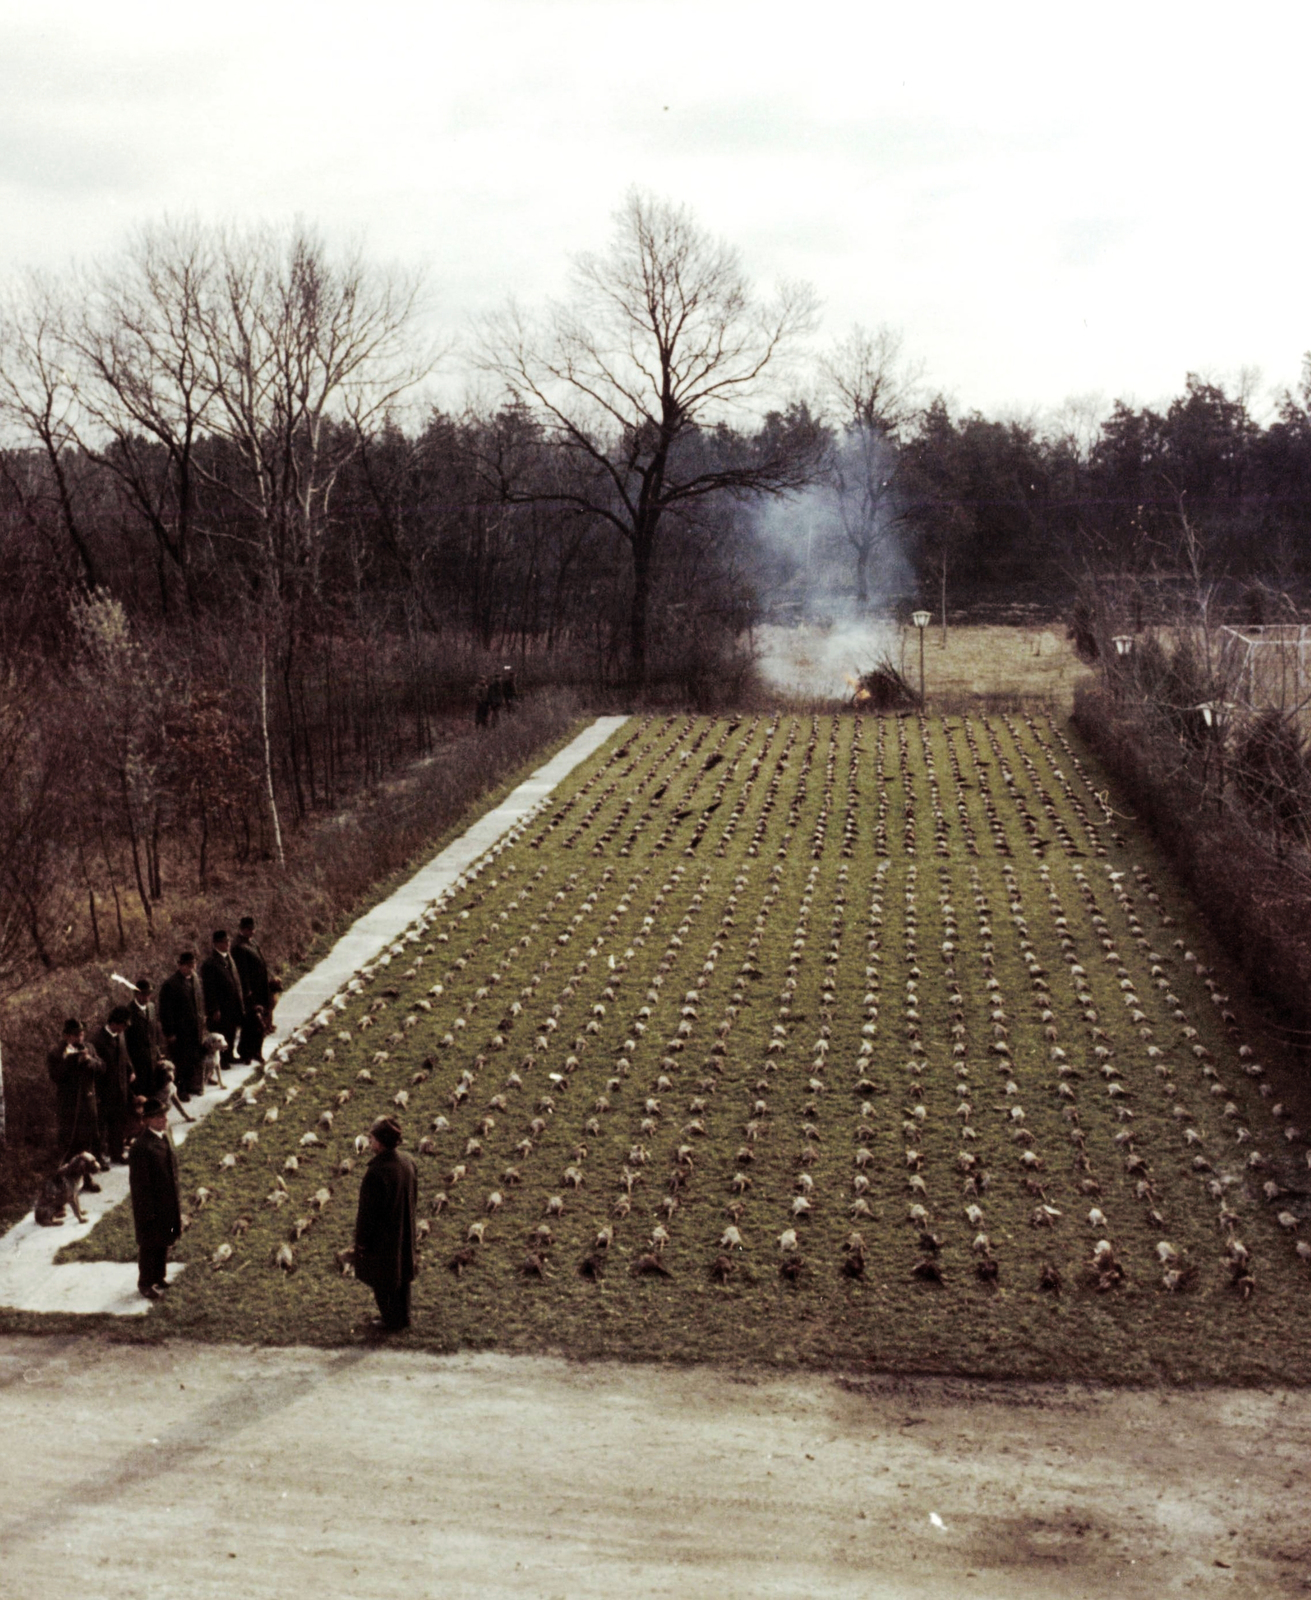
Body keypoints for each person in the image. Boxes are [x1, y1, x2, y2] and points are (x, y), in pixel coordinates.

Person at [353, 1115, 418, 1332]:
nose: (369, 1141)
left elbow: (366, 1214)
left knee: (383, 1279)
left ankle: (391, 1320)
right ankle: (404, 1316)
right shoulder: (407, 1162)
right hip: (405, 1228)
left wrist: (361, 1242)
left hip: (384, 1236)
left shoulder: (376, 1172)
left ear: (380, 1142)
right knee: (403, 1275)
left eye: (371, 1138)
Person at [127, 1095, 181, 1300]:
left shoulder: (163, 1137)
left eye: (165, 1115)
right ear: (147, 1120)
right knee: (150, 1245)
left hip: (166, 1201)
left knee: (164, 1241)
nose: (164, 1120)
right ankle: (145, 1282)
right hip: (151, 1206)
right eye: (158, 1117)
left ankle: (159, 1276)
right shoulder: (141, 1147)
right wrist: (146, 1212)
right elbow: (139, 1185)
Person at [47, 1019, 105, 1177]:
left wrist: (89, 1061)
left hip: (88, 1102)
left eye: (81, 1034)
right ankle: (68, 1180)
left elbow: (102, 1067)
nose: (79, 1038)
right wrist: (70, 1061)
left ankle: (87, 1178)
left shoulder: (90, 1048)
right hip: (69, 1106)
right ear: (66, 1036)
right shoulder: (56, 1053)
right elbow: (55, 1076)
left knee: (88, 1142)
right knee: (70, 1142)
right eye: (75, 1035)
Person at [91, 1005, 135, 1165]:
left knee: (118, 1123)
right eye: (123, 1025)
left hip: (121, 1088)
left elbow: (125, 1055)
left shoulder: (120, 1035)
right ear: (115, 1023)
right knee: (102, 1127)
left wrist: (131, 1070)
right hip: (105, 1091)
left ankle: (117, 1153)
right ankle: (99, 1158)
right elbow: (96, 1069)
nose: (125, 1028)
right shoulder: (97, 1040)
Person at [158, 952, 205, 1100]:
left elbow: (199, 1001)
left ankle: (193, 1085)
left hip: (195, 1028)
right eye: (188, 965)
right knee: (181, 1061)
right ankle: (181, 1089)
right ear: (180, 965)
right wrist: (169, 1032)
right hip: (180, 1031)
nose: (191, 968)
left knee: (194, 1058)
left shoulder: (195, 979)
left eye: (193, 965)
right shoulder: (170, 984)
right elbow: (165, 1011)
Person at [200, 930, 245, 1075]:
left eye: (228, 941)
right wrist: (214, 1009)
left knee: (231, 1031)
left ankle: (230, 1055)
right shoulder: (210, 963)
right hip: (221, 1005)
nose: (227, 944)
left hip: (232, 1003)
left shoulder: (229, 959)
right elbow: (209, 989)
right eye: (224, 942)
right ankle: (223, 1060)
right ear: (216, 944)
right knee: (222, 1032)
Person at [231, 916, 272, 1066]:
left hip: (261, 989)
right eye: (249, 929)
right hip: (251, 992)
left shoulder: (252, 943)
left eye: (253, 929)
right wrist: (247, 991)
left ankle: (257, 1051)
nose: (252, 932)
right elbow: (242, 971)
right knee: (250, 1023)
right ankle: (246, 1052)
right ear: (242, 929)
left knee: (260, 1023)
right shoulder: (238, 946)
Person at [125, 977, 165, 1104]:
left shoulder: (152, 1007)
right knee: (141, 1091)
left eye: (149, 994)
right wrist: (130, 1066)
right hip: (138, 1060)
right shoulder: (129, 1012)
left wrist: (158, 1053)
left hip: (152, 1057)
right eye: (144, 994)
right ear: (136, 994)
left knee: (153, 1088)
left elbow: (154, 1033)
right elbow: (125, 1041)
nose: (147, 997)